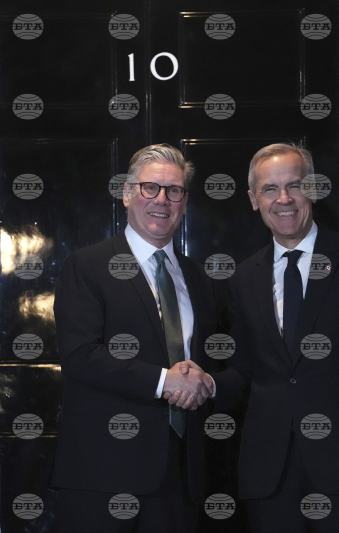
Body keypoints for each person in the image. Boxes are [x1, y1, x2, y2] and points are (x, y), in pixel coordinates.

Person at [170, 143, 339, 531]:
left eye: (295, 185)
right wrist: (206, 383)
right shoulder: (243, 279)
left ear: (314, 189)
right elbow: (244, 372)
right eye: (270, 189)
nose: (283, 199)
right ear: (254, 200)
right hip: (270, 478)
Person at [51, 144, 218, 532]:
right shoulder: (87, 266)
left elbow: (216, 363)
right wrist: (165, 381)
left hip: (181, 478)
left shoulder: (200, 279)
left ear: (184, 201)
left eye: (174, 190)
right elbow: (79, 356)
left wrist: (205, 381)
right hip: (102, 475)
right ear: (127, 194)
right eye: (150, 188)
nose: (162, 200)